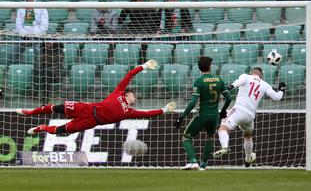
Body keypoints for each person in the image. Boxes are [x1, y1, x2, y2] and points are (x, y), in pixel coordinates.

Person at [16, 60, 176, 135]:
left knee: (61, 130)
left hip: (90, 121)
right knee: (55, 108)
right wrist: (144, 66)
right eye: (134, 95)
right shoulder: (119, 92)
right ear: (128, 93)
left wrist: (163, 110)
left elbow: (147, 114)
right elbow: (129, 75)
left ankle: (42, 128)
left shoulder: (129, 112)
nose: (136, 98)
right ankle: (30, 112)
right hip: (86, 108)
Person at [213, 67, 286, 167]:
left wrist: (231, 86)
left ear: (252, 73)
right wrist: (282, 89)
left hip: (239, 110)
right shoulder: (265, 84)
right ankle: (248, 158)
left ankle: (225, 147)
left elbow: (239, 81)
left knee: (223, 127)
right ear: (261, 75)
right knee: (248, 135)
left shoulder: (246, 77)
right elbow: (277, 97)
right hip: (250, 116)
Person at [174, 56, 232, 170]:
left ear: (199, 68)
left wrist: (181, 117)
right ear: (210, 67)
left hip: (202, 115)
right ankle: (203, 166)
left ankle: (193, 161)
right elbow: (229, 98)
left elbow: (193, 102)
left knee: (186, 138)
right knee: (210, 138)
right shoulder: (219, 80)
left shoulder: (199, 81)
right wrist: (223, 111)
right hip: (214, 116)